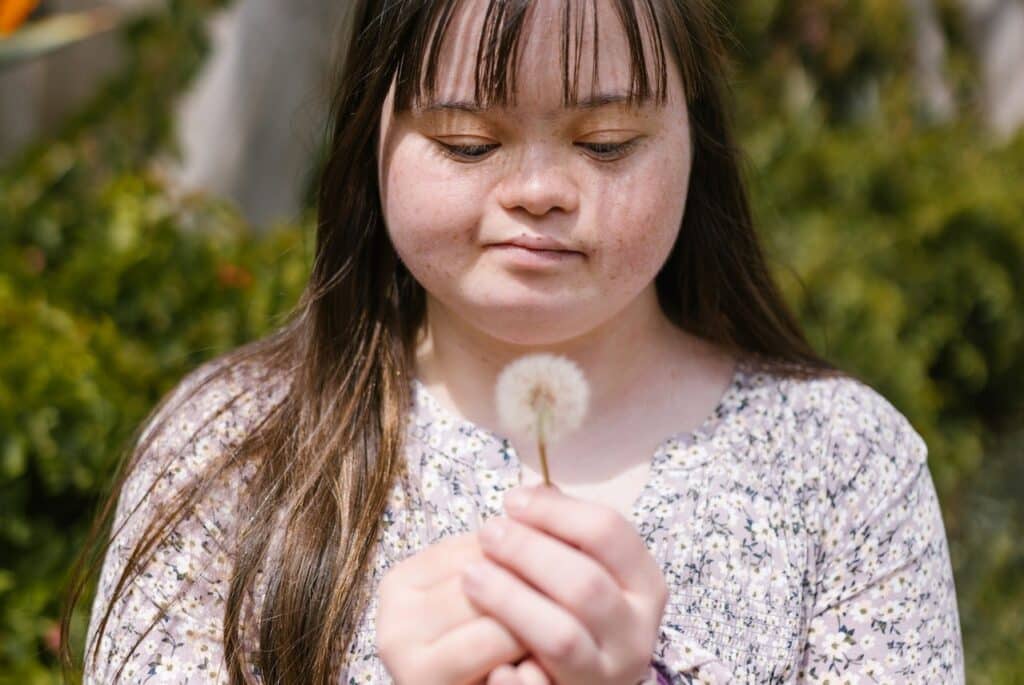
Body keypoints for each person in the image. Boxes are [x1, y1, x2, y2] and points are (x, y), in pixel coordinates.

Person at [64, 0, 965, 683]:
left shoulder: (841, 465)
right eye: (466, 142)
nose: (538, 189)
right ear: (369, 132)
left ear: (698, 134)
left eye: (607, 142)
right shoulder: (230, 450)